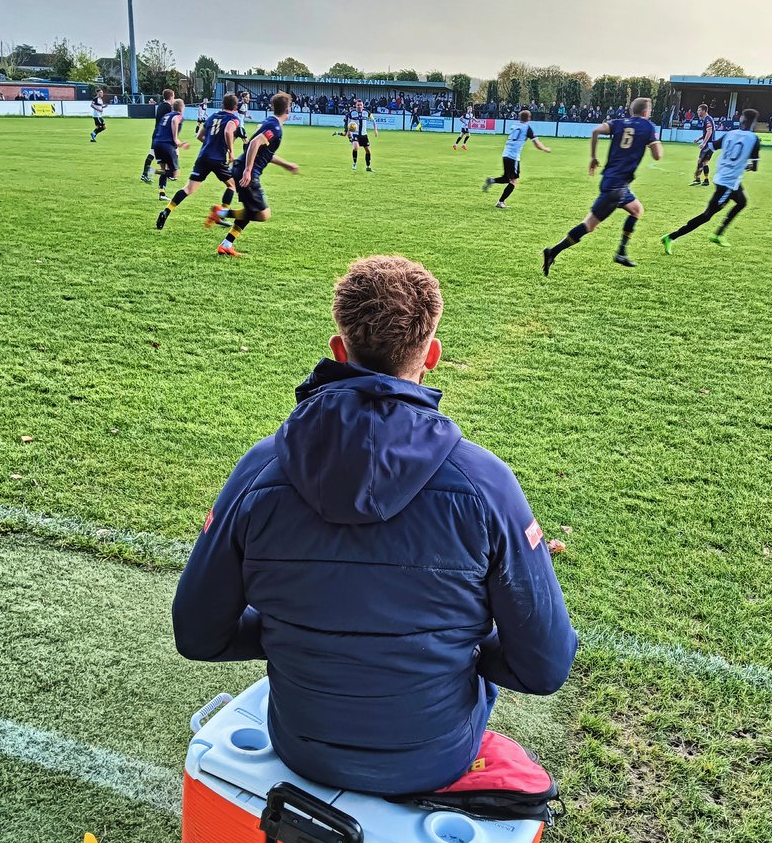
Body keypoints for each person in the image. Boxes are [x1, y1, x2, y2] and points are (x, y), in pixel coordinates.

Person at [172, 255, 577, 795]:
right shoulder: (487, 484)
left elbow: (198, 633)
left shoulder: (259, 470)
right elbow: (545, 667)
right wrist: (459, 649)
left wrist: (293, 633)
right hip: (436, 757)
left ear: (338, 351)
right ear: (431, 355)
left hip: (302, 747)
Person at [543, 96, 662, 273]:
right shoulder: (648, 127)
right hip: (617, 188)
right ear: (646, 112)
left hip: (614, 182)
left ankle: (621, 251)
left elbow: (596, 131)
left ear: (631, 110)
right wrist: (655, 142)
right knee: (589, 225)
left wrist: (593, 157)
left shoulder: (618, 123)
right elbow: (658, 155)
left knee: (637, 210)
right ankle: (553, 251)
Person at [205, 92, 299, 257]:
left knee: (249, 211)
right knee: (263, 214)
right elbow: (255, 143)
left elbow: (264, 153)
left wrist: (286, 165)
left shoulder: (269, 122)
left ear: (272, 107)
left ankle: (225, 245)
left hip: (242, 168)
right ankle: (220, 213)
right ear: (289, 110)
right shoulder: (275, 127)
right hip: (246, 172)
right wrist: (248, 169)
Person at [662, 109, 760, 252]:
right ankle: (671, 237)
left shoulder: (729, 134)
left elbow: (712, 146)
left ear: (741, 120)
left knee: (742, 202)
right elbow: (755, 167)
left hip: (724, 178)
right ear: (754, 122)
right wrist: (745, 165)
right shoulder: (754, 139)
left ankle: (719, 234)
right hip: (728, 183)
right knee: (707, 215)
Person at [156, 92, 239, 231]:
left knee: (188, 189)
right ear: (235, 107)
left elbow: (200, 136)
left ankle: (166, 211)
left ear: (223, 104)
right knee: (232, 186)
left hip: (203, 157)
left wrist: (209, 143)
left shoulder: (212, 116)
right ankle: (221, 215)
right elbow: (228, 132)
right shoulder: (233, 119)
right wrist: (231, 151)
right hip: (218, 159)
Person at [482, 110, 551, 208]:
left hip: (505, 154)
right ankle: (500, 202)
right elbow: (537, 144)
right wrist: (545, 149)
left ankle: (491, 181)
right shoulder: (527, 128)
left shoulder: (514, 126)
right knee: (513, 181)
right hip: (513, 157)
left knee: (507, 178)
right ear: (529, 118)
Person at [152, 97, 190, 203]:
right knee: (174, 174)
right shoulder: (178, 116)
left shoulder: (166, 115)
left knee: (164, 170)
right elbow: (175, 121)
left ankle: (162, 193)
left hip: (157, 144)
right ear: (181, 108)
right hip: (166, 145)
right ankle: (151, 171)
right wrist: (177, 142)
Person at [140, 89, 176, 183]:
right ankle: (169, 174)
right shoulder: (169, 107)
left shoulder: (160, 106)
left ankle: (145, 173)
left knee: (152, 153)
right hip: (162, 135)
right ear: (171, 97)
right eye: (174, 97)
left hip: (156, 132)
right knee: (169, 155)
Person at [347, 99, 378, 172]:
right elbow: (348, 123)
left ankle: (368, 166)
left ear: (363, 106)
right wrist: (348, 131)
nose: (359, 106)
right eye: (358, 105)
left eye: (361, 105)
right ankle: (354, 163)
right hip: (355, 134)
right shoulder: (352, 113)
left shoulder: (367, 112)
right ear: (355, 105)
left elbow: (374, 121)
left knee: (368, 151)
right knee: (355, 147)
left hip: (364, 135)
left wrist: (375, 130)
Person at [691, 104, 716, 186]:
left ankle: (697, 179)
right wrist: (699, 138)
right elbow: (706, 133)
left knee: (700, 161)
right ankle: (706, 180)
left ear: (704, 111)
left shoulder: (707, 120)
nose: (698, 112)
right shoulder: (707, 119)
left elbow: (709, 131)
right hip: (711, 144)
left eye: (699, 110)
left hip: (708, 145)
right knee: (705, 162)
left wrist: (704, 142)